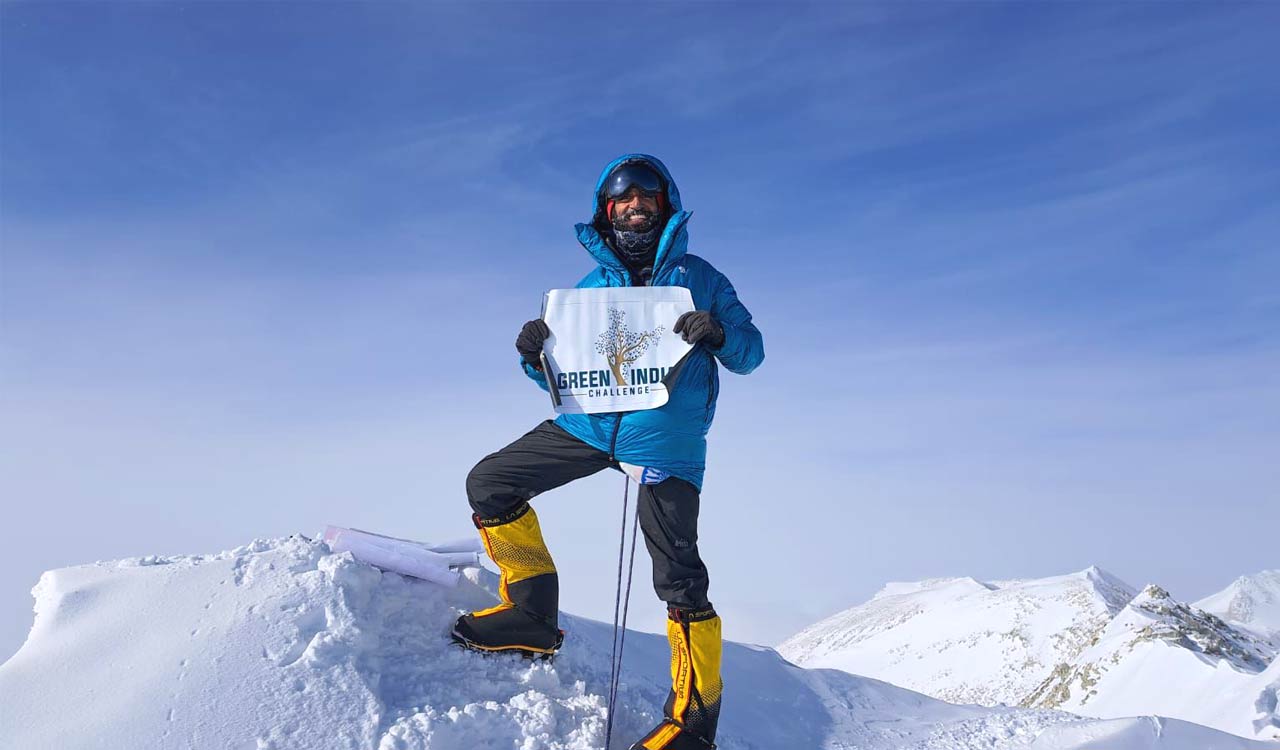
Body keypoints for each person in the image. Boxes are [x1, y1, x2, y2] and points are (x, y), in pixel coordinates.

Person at [452, 154, 764, 750]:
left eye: (647, 195)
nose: (636, 204)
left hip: (664, 439)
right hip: (591, 430)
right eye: (623, 197)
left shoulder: (702, 278)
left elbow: (752, 354)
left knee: (679, 578)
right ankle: (532, 613)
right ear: (607, 210)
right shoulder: (589, 291)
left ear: (664, 204)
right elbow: (563, 378)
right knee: (491, 483)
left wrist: (719, 333)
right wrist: (533, 355)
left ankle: (694, 726)